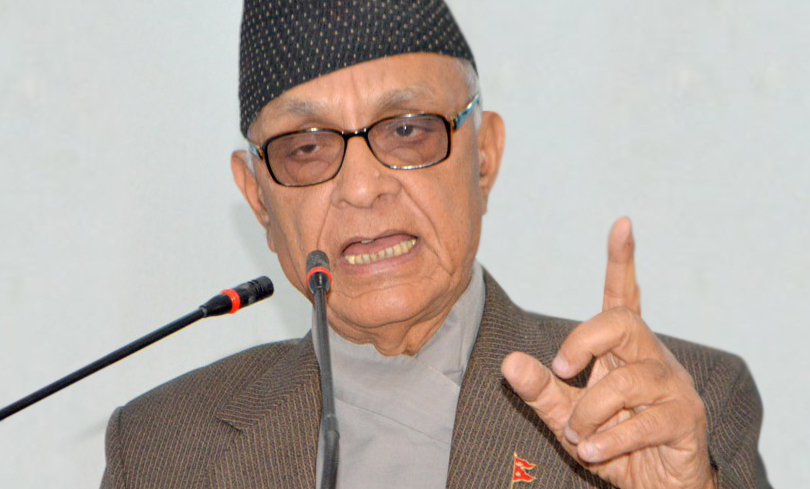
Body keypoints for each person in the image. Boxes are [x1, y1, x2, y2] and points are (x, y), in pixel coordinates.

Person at [100, 1, 770, 487]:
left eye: (407, 130)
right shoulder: (161, 448)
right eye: (306, 149)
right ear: (258, 198)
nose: (362, 188)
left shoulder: (676, 407)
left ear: (485, 157)